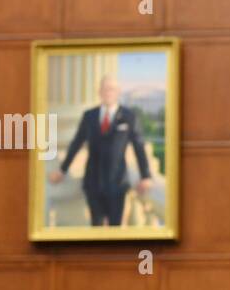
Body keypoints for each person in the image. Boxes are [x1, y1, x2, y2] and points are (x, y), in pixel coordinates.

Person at [49, 75, 153, 226]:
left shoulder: (129, 117)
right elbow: (76, 143)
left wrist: (146, 176)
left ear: (118, 92)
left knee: (115, 228)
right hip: (93, 182)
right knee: (96, 226)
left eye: (111, 89)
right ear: (99, 92)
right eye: (105, 89)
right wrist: (62, 170)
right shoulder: (89, 116)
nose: (108, 92)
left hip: (117, 184)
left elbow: (139, 147)